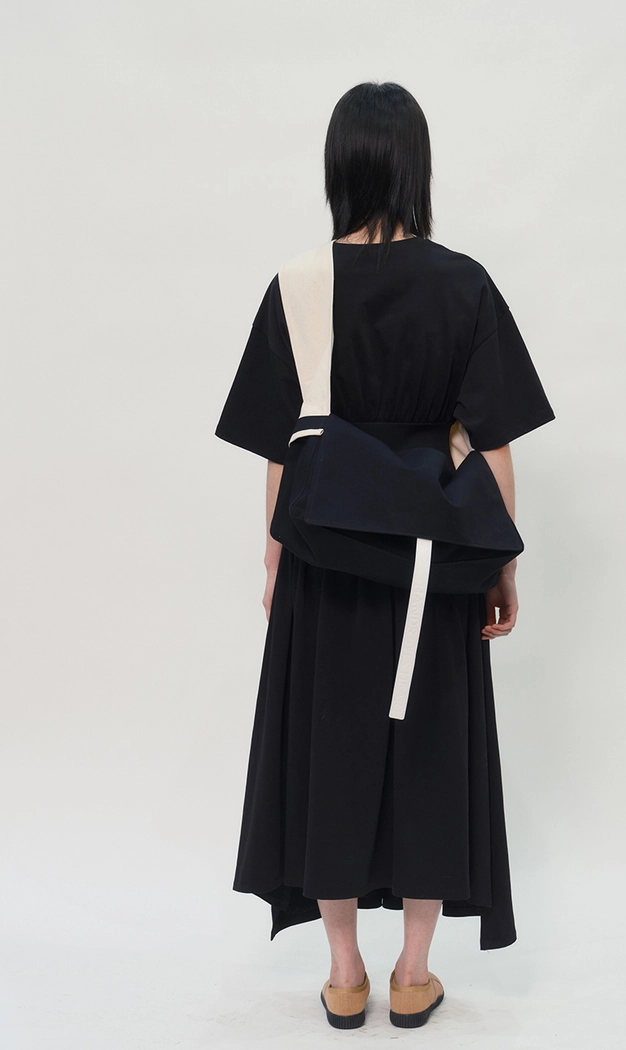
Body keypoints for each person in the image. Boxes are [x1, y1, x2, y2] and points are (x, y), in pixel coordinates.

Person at [214, 80, 555, 1029]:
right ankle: (414, 972)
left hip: (326, 556)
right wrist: (501, 566)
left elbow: (285, 445)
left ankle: (342, 972)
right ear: (416, 166)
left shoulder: (298, 283)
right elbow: (493, 448)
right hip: (431, 561)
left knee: (329, 749)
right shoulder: (465, 283)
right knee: (430, 753)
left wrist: (276, 560)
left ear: (341, 167)